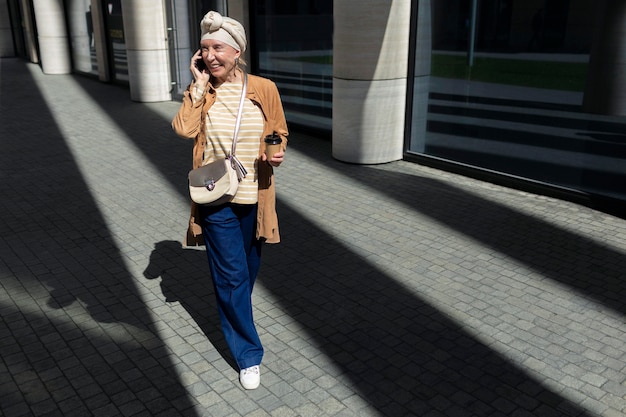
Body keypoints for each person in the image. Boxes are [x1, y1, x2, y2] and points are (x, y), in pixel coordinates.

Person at [171, 10, 288, 390]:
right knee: (233, 276)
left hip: (256, 196)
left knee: (245, 273)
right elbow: (183, 129)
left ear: (237, 51)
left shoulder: (263, 88)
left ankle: (234, 309)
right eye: (203, 49)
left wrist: (277, 150)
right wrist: (197, 86)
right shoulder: (204, 92)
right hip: (214, 197)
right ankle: (248, 355)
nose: (209, 56)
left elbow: (278, 131)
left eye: (217, 48)